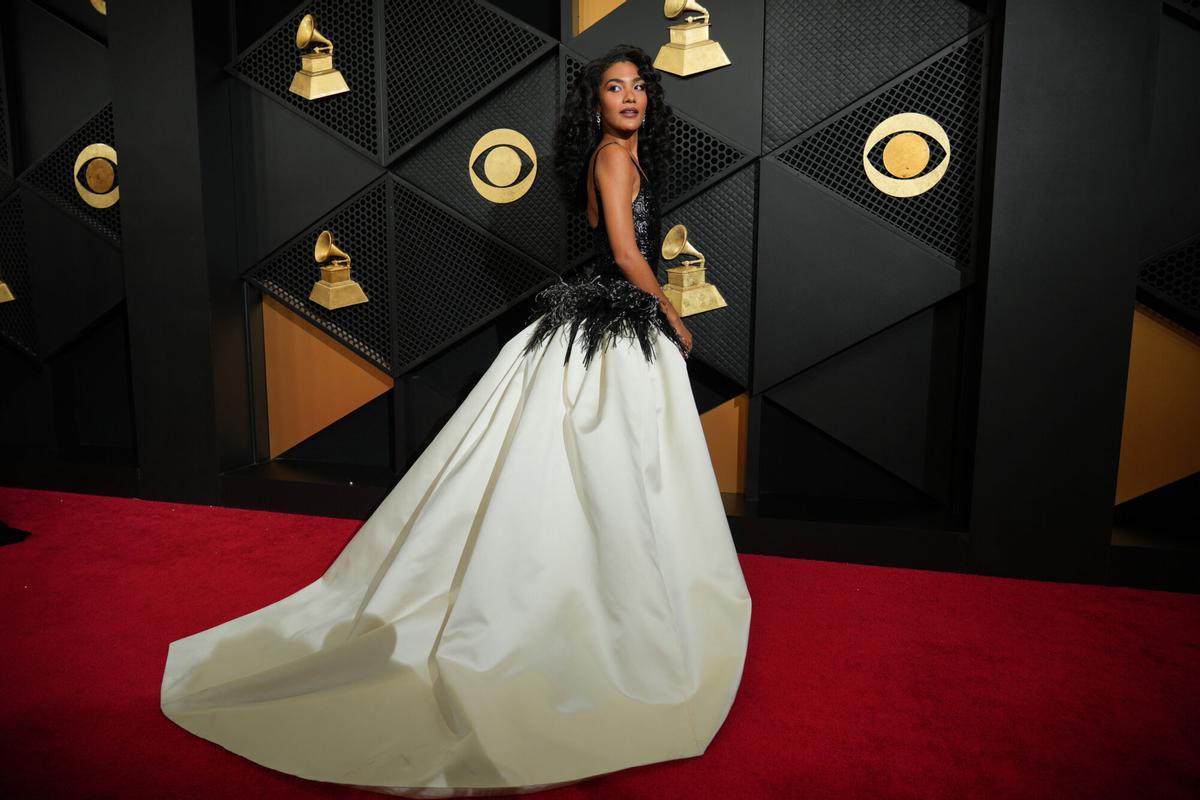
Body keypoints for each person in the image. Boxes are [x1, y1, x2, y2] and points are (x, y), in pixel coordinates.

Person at [160, 44, 751, 797]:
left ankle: (621, 590)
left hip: (609, 323)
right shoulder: (612, 159)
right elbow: (628, 254)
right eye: (614, 87)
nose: (629, 97)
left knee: (619, 468)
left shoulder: (625, 155)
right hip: (616, 319)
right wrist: (671, 311)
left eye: (639, 86)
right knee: (611, 466)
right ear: (596, 102)